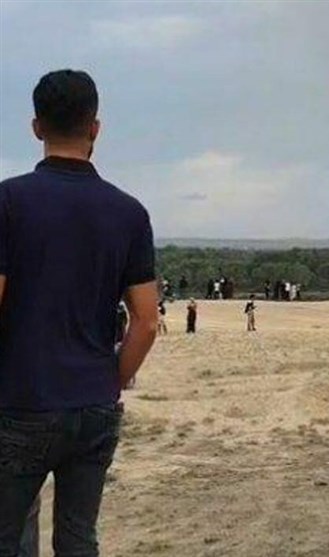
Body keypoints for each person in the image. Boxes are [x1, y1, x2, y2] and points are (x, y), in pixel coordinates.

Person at [0, 69, 158, 557]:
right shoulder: (129, 212)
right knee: (77, 537)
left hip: (20, 399)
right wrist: (113, 378)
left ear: (35, 127)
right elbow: (146, 321)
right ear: (95, 128)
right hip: (93, 403)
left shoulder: (8, 201)